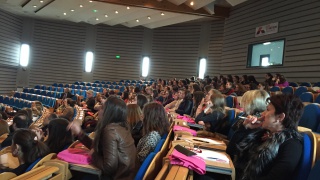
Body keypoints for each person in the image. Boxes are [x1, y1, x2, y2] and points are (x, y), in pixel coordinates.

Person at [230, 94, 303, 179]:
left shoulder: (292, 145)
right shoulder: (261, 134)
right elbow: (230, 152)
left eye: (267, 110)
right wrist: (245, 128)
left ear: (280, 117)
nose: (262, 113)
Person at [68, 96, 138, 179]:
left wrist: (93, 155)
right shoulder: (121, 127)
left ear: (108, 113)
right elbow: (97, 148)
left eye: (101, 108)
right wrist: (80, 133)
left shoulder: (110, 130)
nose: (98, 110)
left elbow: (108, 167)